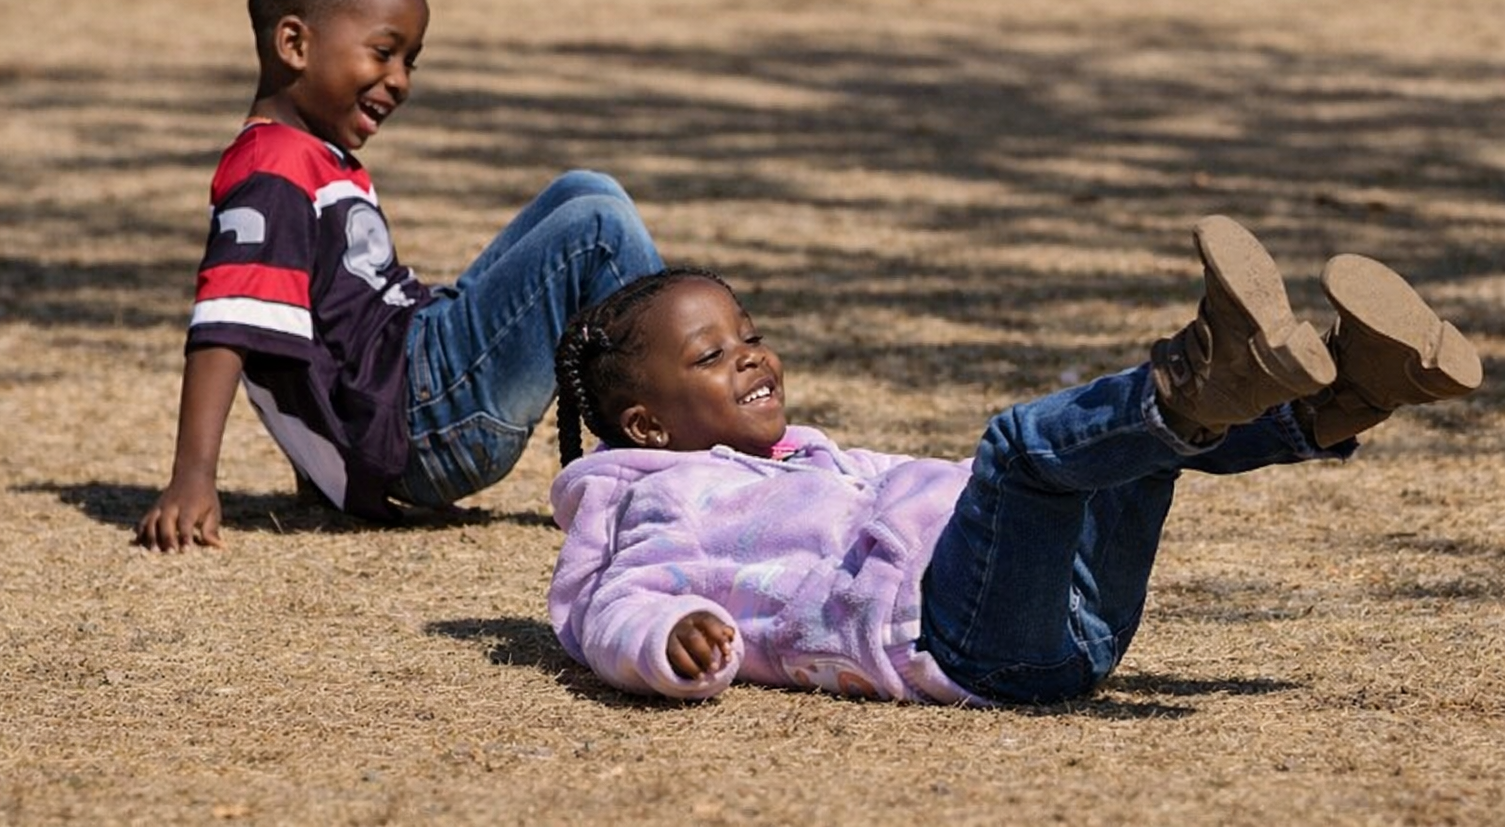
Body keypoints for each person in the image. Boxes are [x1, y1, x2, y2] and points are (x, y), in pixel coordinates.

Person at [546, 217, 1481, 704]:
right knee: (1022, 451)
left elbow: (935, 491)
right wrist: (672, 642)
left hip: (1061, 621)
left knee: (1116, 458)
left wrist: (993, 504)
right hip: (960, 647)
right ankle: (1196, 382)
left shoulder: (813, 455)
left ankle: (1340, 396)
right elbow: (611, 609)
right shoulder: (657, 501)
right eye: (710, 357)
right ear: (649, 427)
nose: (750, 356)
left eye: (749, 336)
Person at [135, 0, 662, 552]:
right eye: (383, 52)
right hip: (426, 420)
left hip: (419, 383)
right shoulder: (272, 172)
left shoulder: (306, 155)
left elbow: (319, 328)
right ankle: (692, 458)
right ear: (295, 43)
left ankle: (664, 435)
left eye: (409, 60)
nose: (401, 80)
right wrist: (192, 479)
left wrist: (318, 464)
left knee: (584, 188)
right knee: (596, 229)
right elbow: (227, 325)